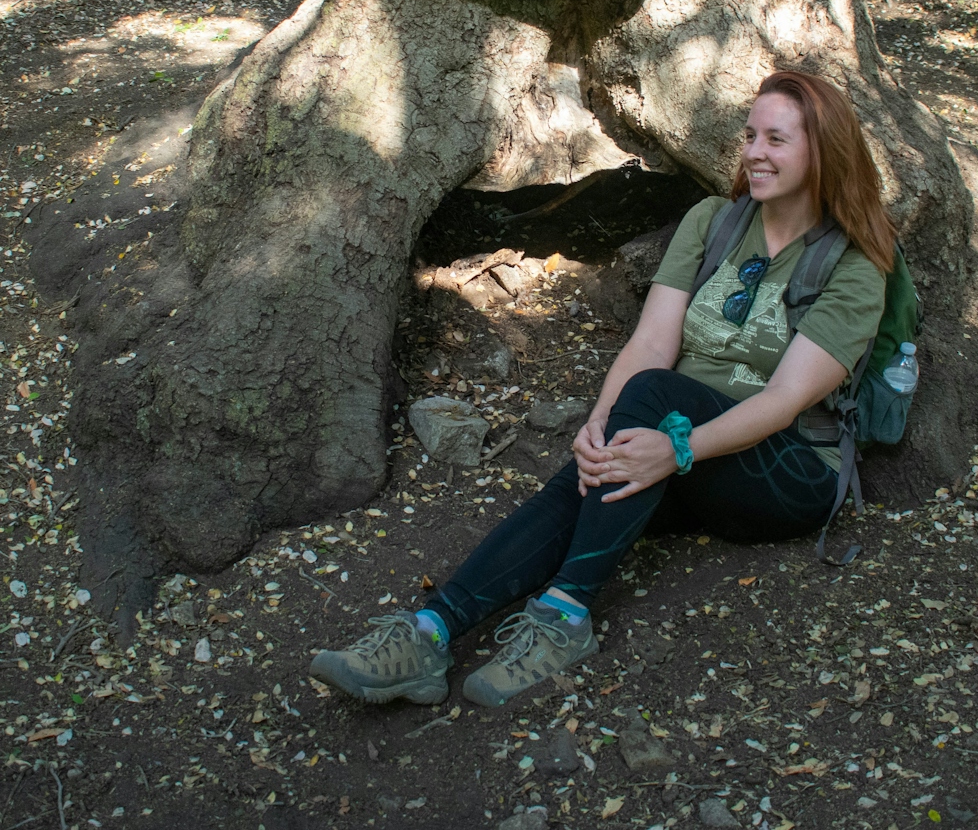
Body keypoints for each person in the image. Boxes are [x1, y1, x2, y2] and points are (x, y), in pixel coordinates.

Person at [309, 70, 896, 708]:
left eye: (776, 139)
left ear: (822, 151)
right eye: (750, 134)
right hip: (687, 446)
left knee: (649, 403)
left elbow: (784, 400)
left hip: (787, 472)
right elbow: (650, 342)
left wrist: (675, 449)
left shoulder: (854, 264)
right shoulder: (714, 222)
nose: (754, 151)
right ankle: (430, 632)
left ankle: (563, 617)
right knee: (588, 478)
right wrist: (602, 424)